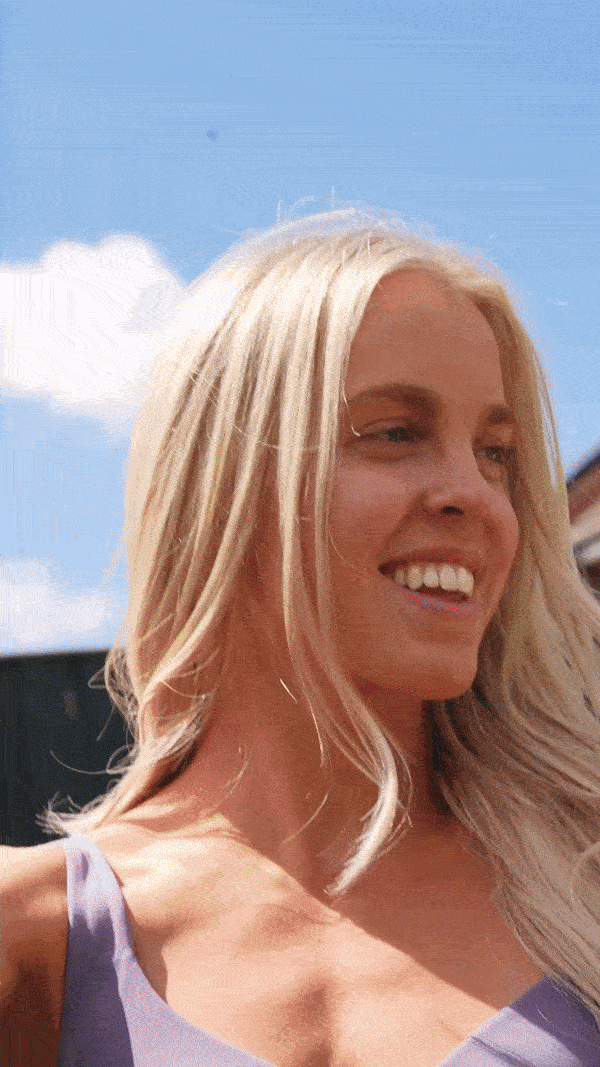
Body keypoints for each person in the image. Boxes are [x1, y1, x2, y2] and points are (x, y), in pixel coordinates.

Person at [3, 204, 600, 1067]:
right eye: (395, 432)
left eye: (497, 451)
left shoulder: (579, 892)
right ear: (224, 486)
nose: (475, 496)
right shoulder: (42, 935)